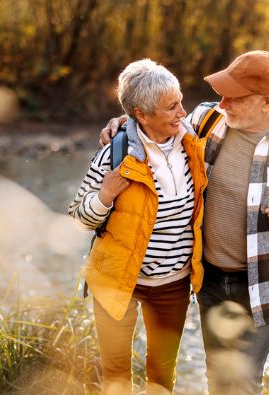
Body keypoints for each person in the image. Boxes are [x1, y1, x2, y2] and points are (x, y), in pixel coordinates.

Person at [100, 50, 269, 394]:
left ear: (268, 101)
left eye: (234, 97)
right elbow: (154, 121)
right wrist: (123, 122)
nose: (223, 102)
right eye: (222, 93)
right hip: (211, 279)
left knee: (244, 381)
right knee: (218, 377)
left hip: (266, 282)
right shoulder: (207, 120)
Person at [68, 59, 207, 395]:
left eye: (181, 102)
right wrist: (104, 196)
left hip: (173, 283)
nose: (181, 112)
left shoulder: (194, 142)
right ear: (141, 115)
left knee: (161, 377)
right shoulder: (112, 156)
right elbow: (77, 219)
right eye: (171, 107)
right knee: (115, 377)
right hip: (117, 280)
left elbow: (246, 110)